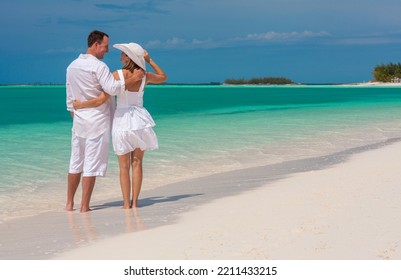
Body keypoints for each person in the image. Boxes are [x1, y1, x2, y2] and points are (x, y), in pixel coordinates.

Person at [73, 42, 167, 208]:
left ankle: (125, 204)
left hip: (123, 120)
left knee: (124, 166)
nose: (120, 55)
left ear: (128, 57)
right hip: (140, 120)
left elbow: (102, 99)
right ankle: (135, 203)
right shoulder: (145, 75)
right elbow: (163, 77)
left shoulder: (116, 75)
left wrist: (81, 105)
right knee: (137, 163)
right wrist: (149, 60)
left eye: (123, 53)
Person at [66, 31, 145, 213]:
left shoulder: (72, 66)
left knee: (75, 162)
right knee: (91, 165)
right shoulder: (99, 67)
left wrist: (76, 116)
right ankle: (84, 207)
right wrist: (132, 78)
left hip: (79, 121)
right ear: (95, 44)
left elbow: (70, 98)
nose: (107, 51)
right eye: (105, 46)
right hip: (98, 121)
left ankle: (69, 204)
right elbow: (111, 89)